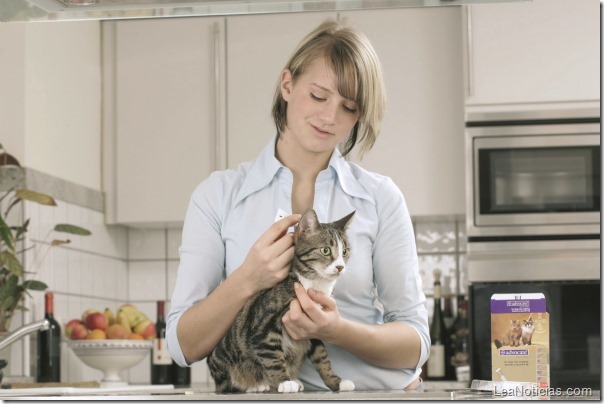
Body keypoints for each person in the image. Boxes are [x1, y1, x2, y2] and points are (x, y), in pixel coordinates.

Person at [166, 19, 429, 391]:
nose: (329, 117)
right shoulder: (218, 196)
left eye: (349, 107)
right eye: (319, 96)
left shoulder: (380, 198)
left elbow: (417, 344)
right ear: (287, 84)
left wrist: (337, 331)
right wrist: (246, 279)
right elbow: (181, 346)